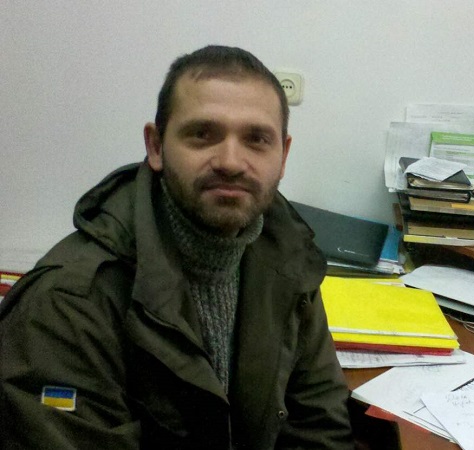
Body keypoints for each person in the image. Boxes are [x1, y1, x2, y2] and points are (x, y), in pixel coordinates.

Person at [0, 45, 354, 449]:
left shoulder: (288, 261)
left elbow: (319, 429)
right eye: (202, 135)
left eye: (256, 139)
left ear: (283, 155)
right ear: (155, 146)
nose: (230, 161)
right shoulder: (66, 304)